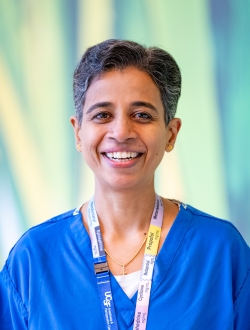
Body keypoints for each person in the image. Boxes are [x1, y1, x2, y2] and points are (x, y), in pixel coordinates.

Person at [1, 39, 250, 330]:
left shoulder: (220, 252)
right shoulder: (33, 259)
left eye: (142, 115)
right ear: (78, 132)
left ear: (171, 133)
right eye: (102, 115)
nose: (121, 132)